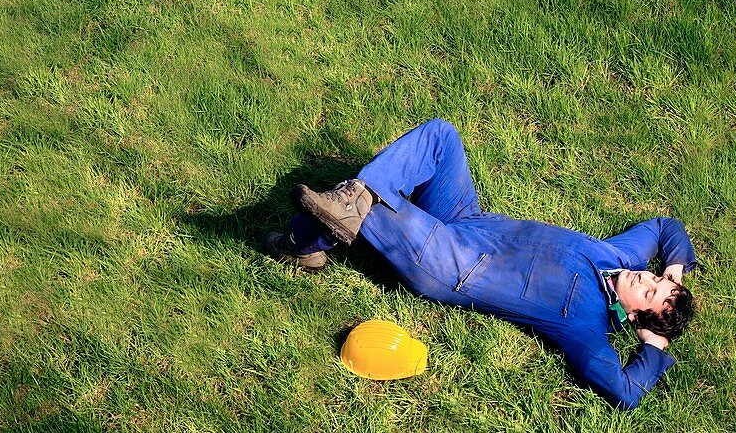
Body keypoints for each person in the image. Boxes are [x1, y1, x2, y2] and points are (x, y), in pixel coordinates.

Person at [265, 119, 696, 409]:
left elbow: (625, 392)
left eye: (650, 291)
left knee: (371, 202)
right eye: (656, 278)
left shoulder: (584, 325)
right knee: (441, 136)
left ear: (634, 315)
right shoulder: (620, 256)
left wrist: (653, 348)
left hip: (452, 263)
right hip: (466, 218)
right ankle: (328, 227)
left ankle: (302, 242)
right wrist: (675, 270)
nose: (647, 277)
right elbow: (664, 227)